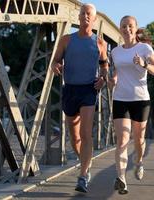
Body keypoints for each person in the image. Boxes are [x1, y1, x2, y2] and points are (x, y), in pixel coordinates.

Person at [51, 3, 108, 193]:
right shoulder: (66, 40)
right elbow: (56, 60)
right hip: (70, 90)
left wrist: (103, 78)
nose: (85, 16)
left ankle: (83, 175)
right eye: (82, 13)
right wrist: (55, 66)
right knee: (74, 138)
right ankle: (86, 161)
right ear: (78, 17)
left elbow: (104, 65)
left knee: (85, 134)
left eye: (88, 14)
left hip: (88, 90)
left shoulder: (100, 43)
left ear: (94, 19)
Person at [109, 15, 154, 194]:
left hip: (140, 100)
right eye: (123, 26)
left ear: (136, 28)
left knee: (138, 140)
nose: (127, 29)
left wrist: (144, 63)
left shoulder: (144, 48)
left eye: (130, 26)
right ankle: (121, 178)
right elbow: (118, 70)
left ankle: (139, 162)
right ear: (120, 29)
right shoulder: (115, 52)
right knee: (122, 140)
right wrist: (113, 79)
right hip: (120, 99)